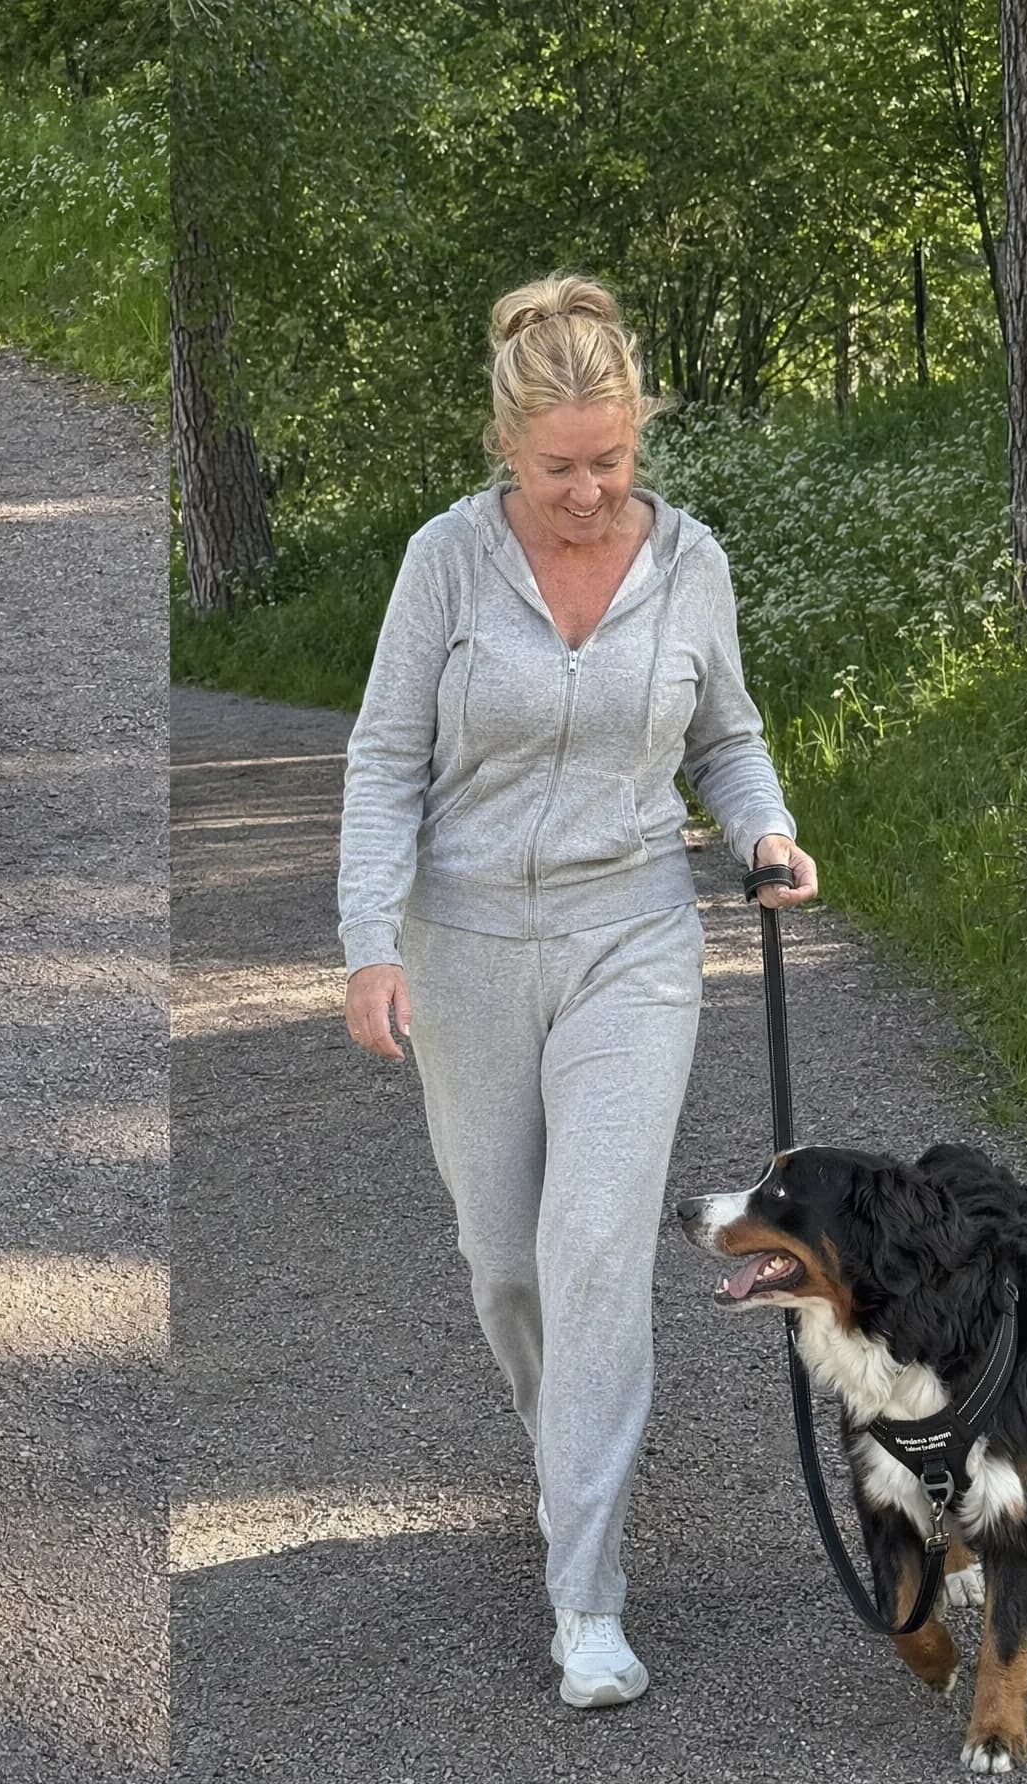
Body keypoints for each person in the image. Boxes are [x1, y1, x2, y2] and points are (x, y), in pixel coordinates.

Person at [337, 273, 819, 1710]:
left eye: (612, 461)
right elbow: (382, 761)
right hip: (465, 942)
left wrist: (767, 827)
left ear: (639, 437)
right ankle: (569, 1471)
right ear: (506, 447)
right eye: (561, 467)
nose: (590, 490)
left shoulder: (692, 565)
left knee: (598, 1241)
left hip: (634, 934)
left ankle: (587, 1595)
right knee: (506, 1258)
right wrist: (370, 940)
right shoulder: (443, 563)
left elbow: (726, 740)